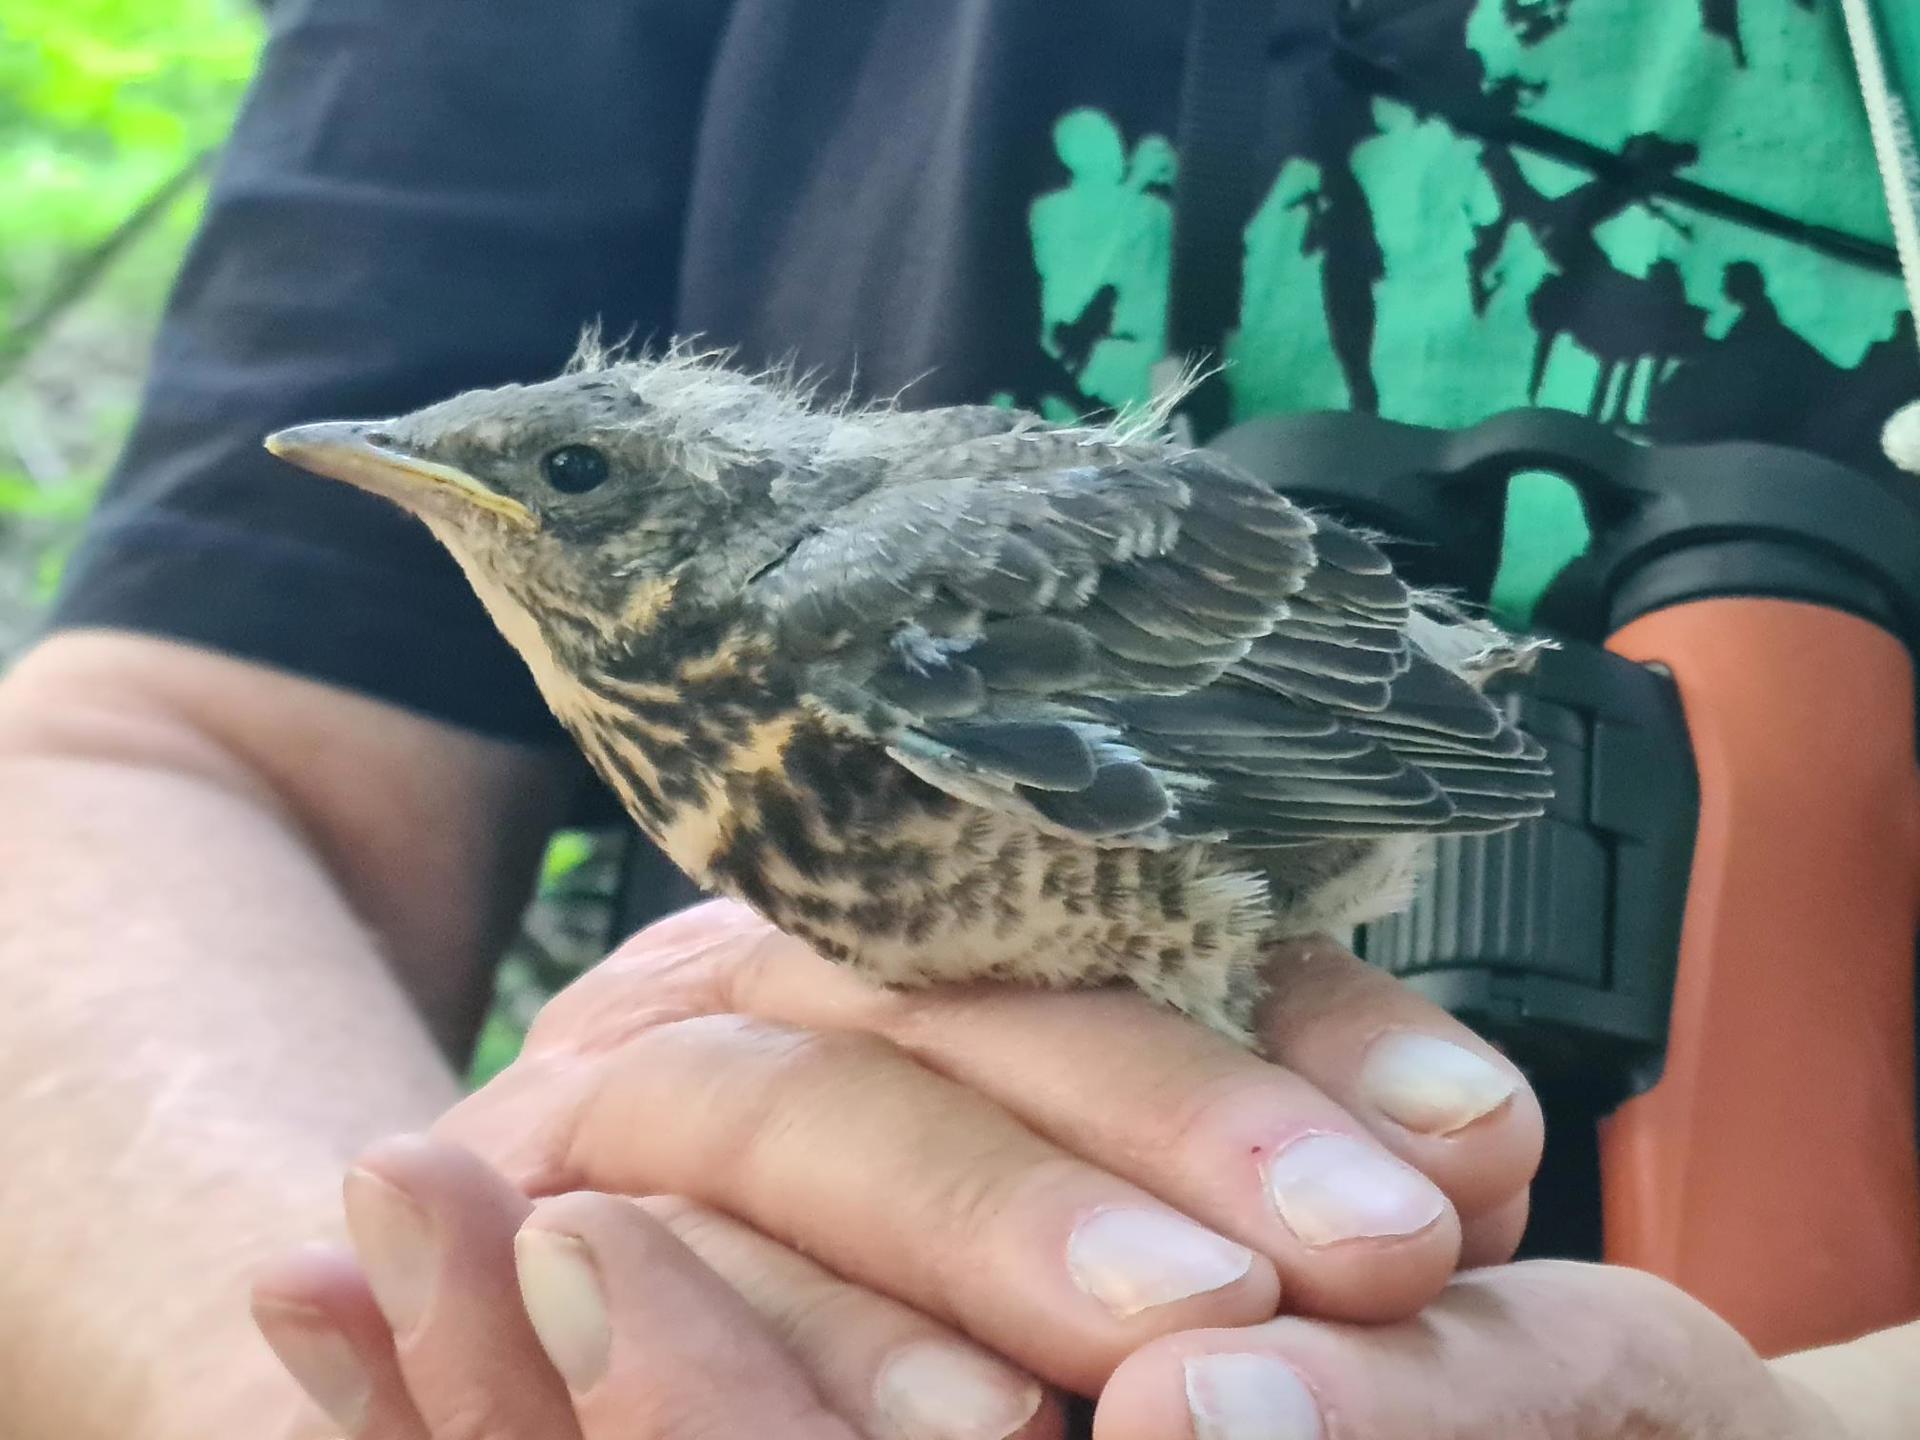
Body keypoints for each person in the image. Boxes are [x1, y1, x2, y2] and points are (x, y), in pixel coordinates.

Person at [0, 0, 1914, 1436]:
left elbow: (1377, 720)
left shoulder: (850, 611)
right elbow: (165, 751)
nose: (483, 494)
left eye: (572, 476)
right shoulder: (677, 662)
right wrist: (421, 1373)